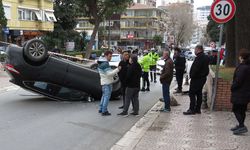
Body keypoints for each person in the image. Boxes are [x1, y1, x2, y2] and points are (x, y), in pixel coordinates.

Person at [183, 45, 209, 115]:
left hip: (197, 79)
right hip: (202, 78)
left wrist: (192, 76)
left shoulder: (200, 58)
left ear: (198, 49)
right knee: (198, 93)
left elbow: (196, 69)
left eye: (195, 49)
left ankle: (192, 109)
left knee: (192, 93)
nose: (194, 51)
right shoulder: (205, 57)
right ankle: (197, 109)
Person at [230, 49, 250, 135]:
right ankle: (240, 125)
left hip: (240, 93)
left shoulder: (243, 67)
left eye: (239, 56)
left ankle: (242, 126)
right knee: (242, 110)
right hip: (246, 93)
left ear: (241, 57)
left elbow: (238, 81)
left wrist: (232, 86)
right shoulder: (248, 66)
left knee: (236, 109)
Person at [98, 51, 121, 116]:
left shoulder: (101, 62)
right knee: (106, 97)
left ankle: (101, 108)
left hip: (104, 82)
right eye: (110, 56)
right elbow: (109, 74)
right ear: (106, 56)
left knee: (104, 96)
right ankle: (104, 111)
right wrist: (117, 69)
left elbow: (108, 72)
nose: (110, 58)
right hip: (107, 82)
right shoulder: (105, 63)